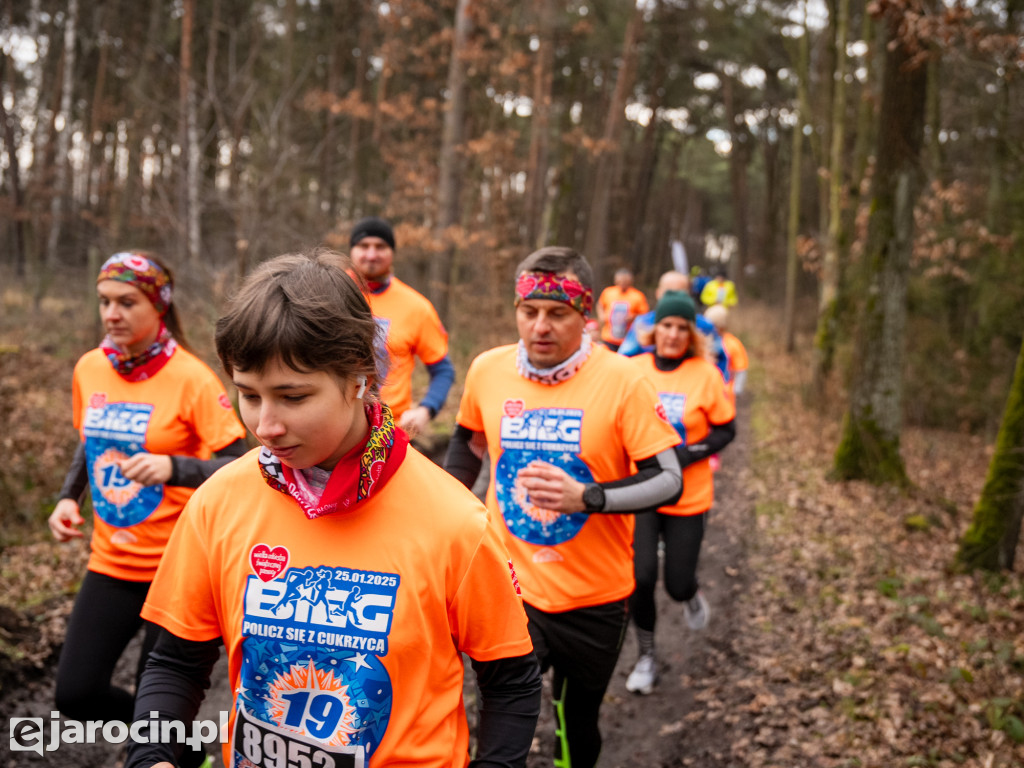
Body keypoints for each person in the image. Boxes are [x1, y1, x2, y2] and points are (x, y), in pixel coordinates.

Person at [125, 249, 540, 768]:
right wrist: (153, 755)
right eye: (248, 395)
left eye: (293, 397)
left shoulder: (456, 523)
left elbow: (511, 682)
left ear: (359, 378)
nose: (265, 426)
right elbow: (175, 663)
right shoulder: (218, 501)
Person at [444, 246, 683, 768]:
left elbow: (668, 480)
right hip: (511, 588)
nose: (540, 327)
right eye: (529, 313)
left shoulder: (624, 381)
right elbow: (468, 444)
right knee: (501, 720)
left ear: (587, 314)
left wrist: (589, 497)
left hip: (595, 597)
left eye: (557, 314)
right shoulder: (487, 370)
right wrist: (446, 510)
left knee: (576, 723)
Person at [48, 251, 248, 768]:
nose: (111, 314)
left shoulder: (193, 379)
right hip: (110, 563)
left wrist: (172, 468)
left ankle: (167, 748)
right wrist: (70, 497)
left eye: (126, 302)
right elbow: (88, 442)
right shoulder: (90, 367)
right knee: (75, 693)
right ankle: (180, 746)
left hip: (175, 567)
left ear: (158, 305)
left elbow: (238, 466)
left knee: (159, 713)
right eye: (104, 302)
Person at [623, 291, 736, 695]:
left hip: (689, 496)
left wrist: (685, 455)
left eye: (680, 328)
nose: (672, 334)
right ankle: (647, 656)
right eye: (666, 326)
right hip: (641, 493)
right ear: (655, 330)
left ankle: (690, 595)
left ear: (691, 334)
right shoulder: (630, 369)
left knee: (676, 582)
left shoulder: (706, 374)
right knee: (639, 578)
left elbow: (726, 429)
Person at [349, 216, 455, 440]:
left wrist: (426, 410)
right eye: (363, 246)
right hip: (333, 428)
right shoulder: (327, 296)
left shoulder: (417, 307)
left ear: (392, 252)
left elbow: (443, 370)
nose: (371, 254)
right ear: (352, 251)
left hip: (390, 433)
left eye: (380, 247)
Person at [618, 270, 731, 381]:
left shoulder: (704, 326)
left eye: (680, 293)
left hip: (691, 389)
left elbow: (721, 362)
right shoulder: (643, 323)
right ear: (658, 293)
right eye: (669, 293)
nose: (673, 335)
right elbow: (623, 359)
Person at [596, 267, 649, 351]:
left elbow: (645, 316)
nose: (622, 283)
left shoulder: (637, 296)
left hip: (628, 340)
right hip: (608, 337)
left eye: (625, 281)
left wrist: (633, 317)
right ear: (616, 280)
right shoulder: (608, 292)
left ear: (630, 281)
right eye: (620, 281)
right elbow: (600, 305)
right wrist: (601, 315)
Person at [705, 304, 749, 398]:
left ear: (720, 326)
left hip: (725, 393)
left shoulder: (732, 344)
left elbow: (741, 369)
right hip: (706, 391)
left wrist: (736, 390)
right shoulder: (705, 341)